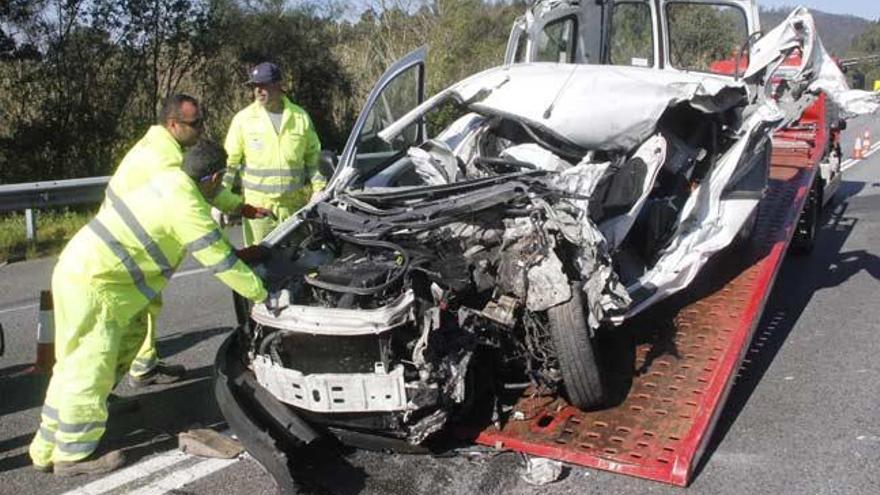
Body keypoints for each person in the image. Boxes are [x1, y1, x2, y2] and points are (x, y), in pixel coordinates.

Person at [30, 140, 269, 476]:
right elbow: (218, 261)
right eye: (221, 180)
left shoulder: (173, 179)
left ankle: (43, 450)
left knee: (79, 363)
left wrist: (241, 242)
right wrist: (263, 294)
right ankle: (71, 456)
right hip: (96, 285)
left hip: (87, 273)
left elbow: (215, 243)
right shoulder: (186, 206)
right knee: (88, 368)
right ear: (214, 177)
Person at [106, 94, 272, 388]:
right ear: (173, 124)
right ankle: (102, 390)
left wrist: (240, 207)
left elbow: (202, 188)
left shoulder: (168, 147)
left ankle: (143, 368)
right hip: (127, 247)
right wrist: (261, 293)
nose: (201, 129)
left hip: (134, 243)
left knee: (143, 308)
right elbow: (200, 227)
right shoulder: (164, 161)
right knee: (124, 318)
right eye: (195, 124)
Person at [224, 62, 324, 245]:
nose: (259, 90)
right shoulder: (243, 120)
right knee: (260, 264)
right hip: (257, 208)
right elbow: (230, 162)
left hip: (293, 207)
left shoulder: (300, 117)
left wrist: (319, 190)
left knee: (295, 262)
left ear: (278, 85)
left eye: (264, 85)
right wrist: (221, 199)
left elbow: (313, 158)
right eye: (255, 86)